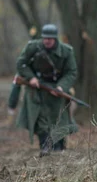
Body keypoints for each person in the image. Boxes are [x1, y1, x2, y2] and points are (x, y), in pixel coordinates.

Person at [12, 24, 78, 156]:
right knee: (41, 120)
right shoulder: (33, 47)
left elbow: (71, 72)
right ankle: (45, 147)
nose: (47, 41)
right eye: (45, 38)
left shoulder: (66, 51)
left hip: (56, 89)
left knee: (59, 119)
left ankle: (59, 147)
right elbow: (21, 64)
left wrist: (61, 87)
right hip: (37, 89)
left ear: (55, 39)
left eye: (50, 38)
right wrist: (31, 78)